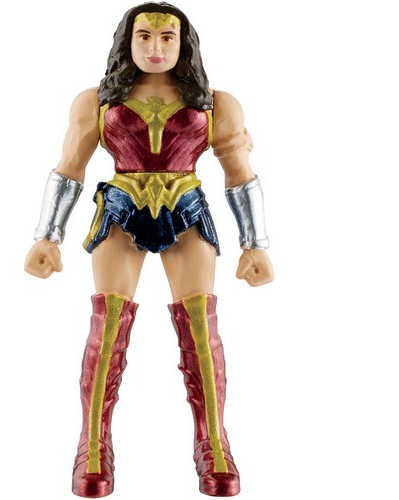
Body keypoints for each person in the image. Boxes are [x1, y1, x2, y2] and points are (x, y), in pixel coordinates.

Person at [24, 2, 274, 497]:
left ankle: (213, 441)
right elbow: (69, 168)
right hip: (121, 211)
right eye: (144, 36)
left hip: (186, 213)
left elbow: (240, 174)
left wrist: (255, 244)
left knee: (201, 328)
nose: (155, 47)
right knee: (108, 326)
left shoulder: (215, 104)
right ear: (128, 40)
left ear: (183, 44)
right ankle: (93, 444)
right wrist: (47, 235)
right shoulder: (97, 101)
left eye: (166, 37)